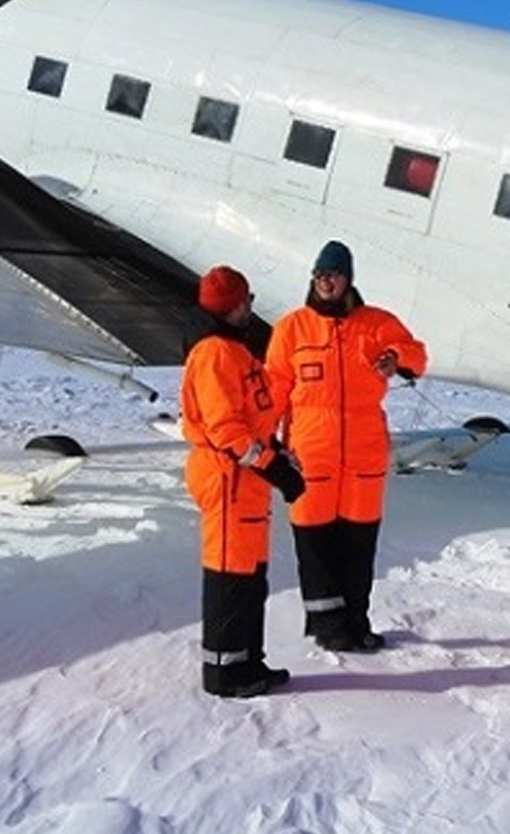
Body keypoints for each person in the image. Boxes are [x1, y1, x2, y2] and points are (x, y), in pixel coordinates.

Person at [266, 240, 429, 652]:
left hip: (363, 457)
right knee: (316, 546)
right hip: (311, 455)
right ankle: (329, 628)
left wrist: (396, 357)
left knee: (358, 547)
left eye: (334, 275)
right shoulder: (292, 328)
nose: (326, 281)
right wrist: (265, 442)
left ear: (348, 279)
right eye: (320, 275)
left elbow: (417, 355)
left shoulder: (376, 324)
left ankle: (357, 623)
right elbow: (274, 389)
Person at [181, 265, 306, 699]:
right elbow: (227, 431)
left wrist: (277, 454)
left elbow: (253, 418)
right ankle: (225, 674)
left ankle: (248, 661)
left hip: (246, 483)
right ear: (233, 306)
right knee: (230, 578)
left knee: (251, 577)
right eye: (248, 299)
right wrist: (275, 468)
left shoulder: (236, 351)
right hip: (228, 479)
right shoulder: (214, 355)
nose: (252, 306)